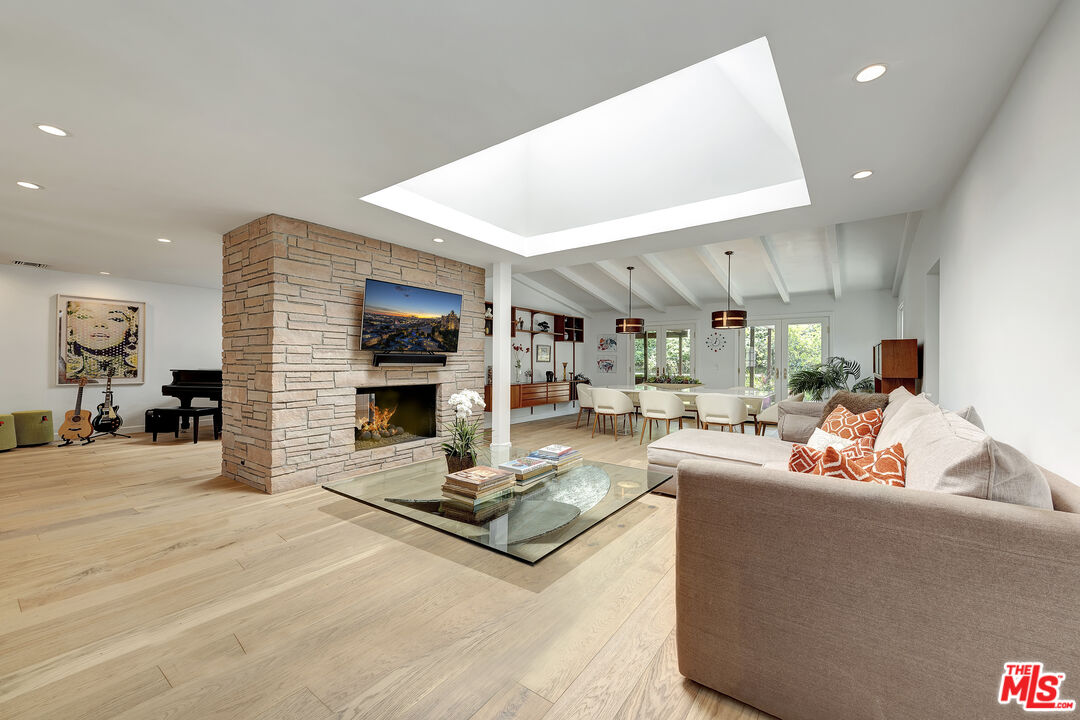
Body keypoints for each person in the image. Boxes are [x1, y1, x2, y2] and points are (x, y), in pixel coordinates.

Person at [60, 300, 140, 382]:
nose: (100, 324)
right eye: (85, 316)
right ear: (70, 323)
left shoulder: (133, 371)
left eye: (115, 319)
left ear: (131, 327)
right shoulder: (63, 366)